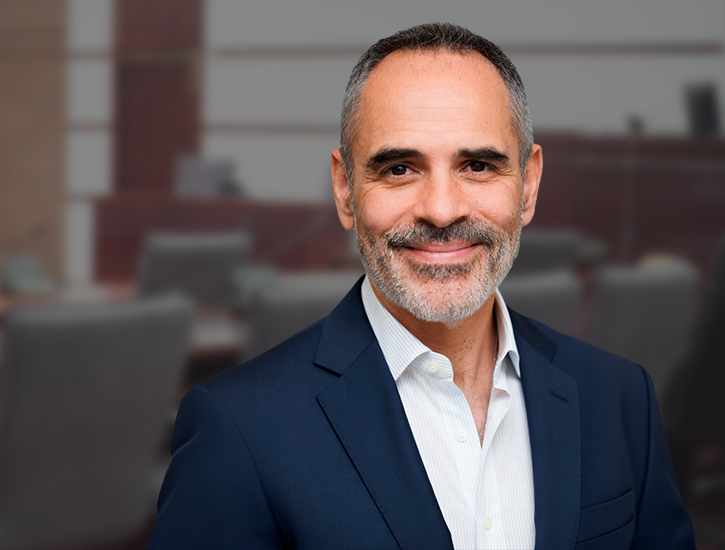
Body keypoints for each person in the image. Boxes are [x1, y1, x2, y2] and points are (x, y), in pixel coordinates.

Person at [148, 23, 694, 549]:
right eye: (399, 169)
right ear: (344, 189)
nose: (440, 209)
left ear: (528, 185)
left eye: (478, 165)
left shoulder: (620, 398)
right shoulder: (238, 429)